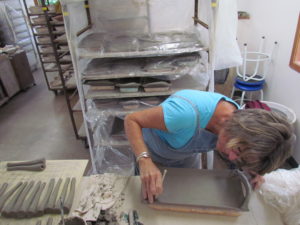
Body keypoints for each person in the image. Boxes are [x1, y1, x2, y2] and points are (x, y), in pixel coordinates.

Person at [124, 90, 294, 203]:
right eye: (238, 151)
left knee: (185, 200)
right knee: (149, 202)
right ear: (237, 126)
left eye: (240, 155)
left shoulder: (234, 122)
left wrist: (251, 167)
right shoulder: (184, 113)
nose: (233, 158)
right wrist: (144, 160)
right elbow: (132, 120)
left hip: (184, 158)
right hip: (152, 153)